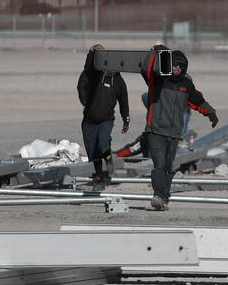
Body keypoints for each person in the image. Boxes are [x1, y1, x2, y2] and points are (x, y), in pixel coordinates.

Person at [141, 46, 218, 210]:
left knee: (169, 166)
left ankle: (164, 198)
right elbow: (145, 69)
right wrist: (153, 53)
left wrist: (211, 113)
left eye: (180, 65)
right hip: (155, 130)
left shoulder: (186, 84)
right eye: (174, 64)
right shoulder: (159, 80)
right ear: (169, 64)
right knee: (159, 164)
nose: (177, 68)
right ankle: (158, 196)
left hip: (175, 133)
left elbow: (198, 101)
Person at [77, 44, 130, 191]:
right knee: (92, 151)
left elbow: (123, 102)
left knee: (103, 144)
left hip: (106, 120)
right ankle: (99, 177)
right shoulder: (97, 75)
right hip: (89, 120)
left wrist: (126, 120)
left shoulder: (119, 81)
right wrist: (91, 52)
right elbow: (86, 72)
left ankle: (108, 165)